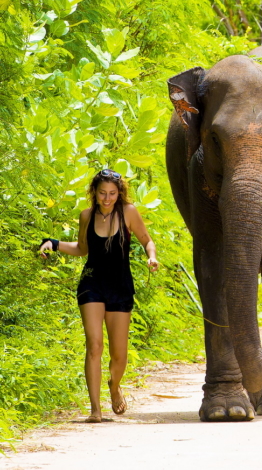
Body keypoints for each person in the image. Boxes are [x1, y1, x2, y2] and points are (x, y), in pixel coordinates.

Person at [38, 169, 158, 423]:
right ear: (94, 192)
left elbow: (147, 240)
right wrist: (54, 243)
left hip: (120, 286)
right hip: (92, 283)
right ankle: (95, 409)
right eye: (102, 193)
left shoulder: (129, 212)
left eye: (112, 193)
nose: (107, 198)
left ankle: (114, 386)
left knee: (119, 355)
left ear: (119, 193)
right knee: (94, 345)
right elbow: (82, 249)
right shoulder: (86, 216)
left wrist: (152, 256)